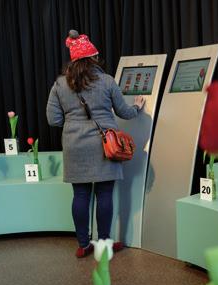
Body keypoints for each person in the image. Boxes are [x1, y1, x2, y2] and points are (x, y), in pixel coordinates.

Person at [46, 30, 145, 258]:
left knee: (80, 196)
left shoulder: (60, 84)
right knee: (104, 194)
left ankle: (83, 245)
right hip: (104, 144)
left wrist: (73, 121)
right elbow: (125, 112)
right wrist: (138, 106)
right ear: (93, 58)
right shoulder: (107, 81)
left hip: (74, 145)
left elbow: (53, 120)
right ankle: (103, 246)